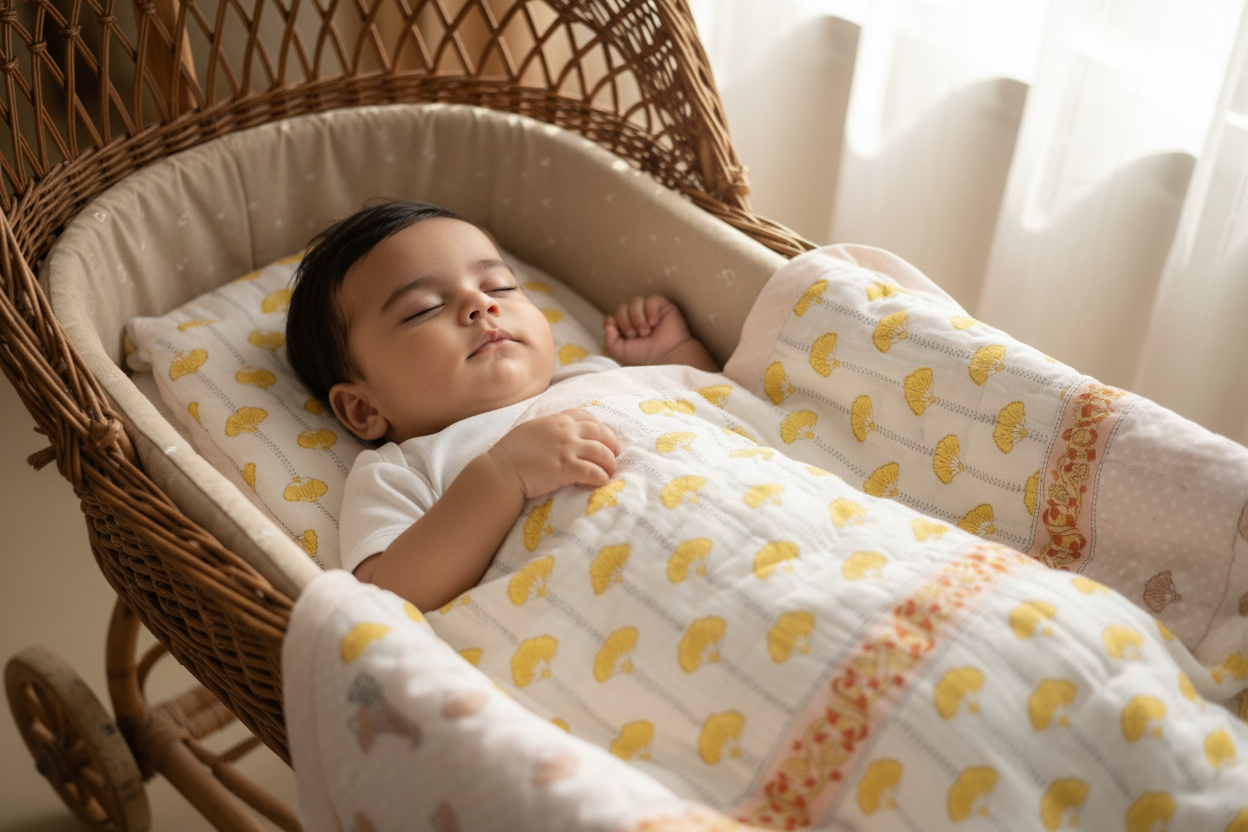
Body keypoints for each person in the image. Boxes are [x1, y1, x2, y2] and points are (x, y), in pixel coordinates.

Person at [285, 199, 718, 611]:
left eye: (500, 286)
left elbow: (717, 413)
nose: (481, 303)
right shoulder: (403, 470)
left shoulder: (595, 375)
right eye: (423, 309)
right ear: (362, 408)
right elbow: (388, 599)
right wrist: (501, 474)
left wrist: (676, 354)